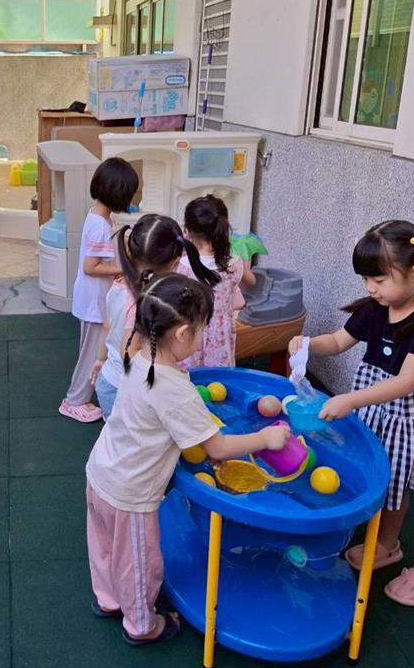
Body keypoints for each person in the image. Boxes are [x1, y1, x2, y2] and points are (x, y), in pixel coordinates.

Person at [288, 220, 414, 607]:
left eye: (378, 279)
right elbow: (339, 341)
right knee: (391, 476)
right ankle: (386, 543)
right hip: (390, 409)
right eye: (366, 279)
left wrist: (350, 400)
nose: (370, 288)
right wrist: (309, 344)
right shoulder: (377, 307)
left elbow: (407, 382)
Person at [86, 274, 290, 643]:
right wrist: (265, 438)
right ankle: (142, 625)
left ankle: (108, 600)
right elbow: (218, 448)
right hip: (130, 495)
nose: (202, 339)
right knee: (138, 562)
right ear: (181, 334)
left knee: (104, 545)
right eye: (201, 331)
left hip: (101, 472)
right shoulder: (175, 390)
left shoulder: (136, 356)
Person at [91, 213, 217, 420]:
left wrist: (99, 359)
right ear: (175, 262)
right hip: (126, 388)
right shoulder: (142, 301)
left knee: (117, 433)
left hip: (109, 378)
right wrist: (167, 376)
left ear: (130, 250)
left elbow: (107, 326)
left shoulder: (118, 286)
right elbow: (129, 353)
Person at [60, 158, 139, 423]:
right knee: (90, 355)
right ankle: (74, 401)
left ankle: (82, 397)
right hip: (93, 302)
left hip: (95, 299)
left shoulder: (100, 216)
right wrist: (123, 268)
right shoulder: (99, 225)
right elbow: (90, 266)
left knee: (95, 351)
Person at [176, 195, 245, 368]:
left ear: (188, 231)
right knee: (219, 379)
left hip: (189, 334)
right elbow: (243, 288)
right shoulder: (235, 264)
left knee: (189, 378)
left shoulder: (180, 266)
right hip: (221, 336)